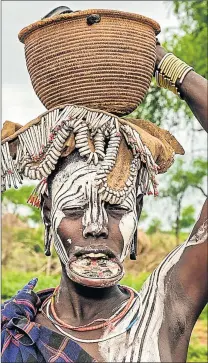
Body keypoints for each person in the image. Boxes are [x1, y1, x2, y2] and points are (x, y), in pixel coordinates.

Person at [1, 6, 207, 363]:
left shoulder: (166, 312)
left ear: (138, 215)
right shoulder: (13, 330)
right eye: (76, 209)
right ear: (48, 218)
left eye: (116, 208)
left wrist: (158, 61)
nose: (96, 227)